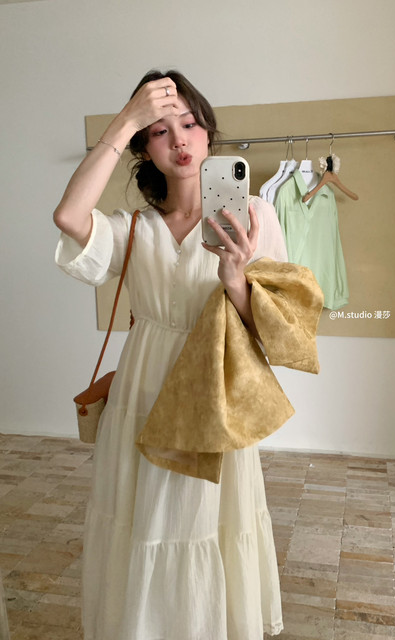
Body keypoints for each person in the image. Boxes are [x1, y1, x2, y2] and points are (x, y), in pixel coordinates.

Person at [53, 69, 288, 640]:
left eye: (189, 124)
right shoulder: (133, 227)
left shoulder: (255, 215)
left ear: (208, 133)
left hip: (214, 392)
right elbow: (68, 218)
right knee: (143, 520)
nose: (179, 140)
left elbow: (274, 331)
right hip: (143, 391)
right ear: (144, 148)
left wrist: (236, 280)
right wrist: (124, 121)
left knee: (204, 521)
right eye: (159, 131)